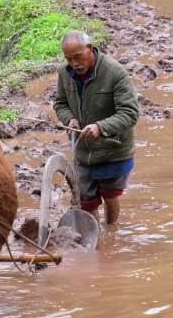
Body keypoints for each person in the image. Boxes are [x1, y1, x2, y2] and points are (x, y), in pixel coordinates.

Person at [53, 30, 139, 225]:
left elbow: (130, 113)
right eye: (69, 59)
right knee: (87, 201)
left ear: (90, 49)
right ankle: (96, 239)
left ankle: (111, 230)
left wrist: (101, 127)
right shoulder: (64, 73)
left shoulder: (114, 72)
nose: (74, 64)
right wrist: (69, 119)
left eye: (78, 57)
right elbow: (60, 104)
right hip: (82, 150)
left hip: (113, 149)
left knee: (110, 196)